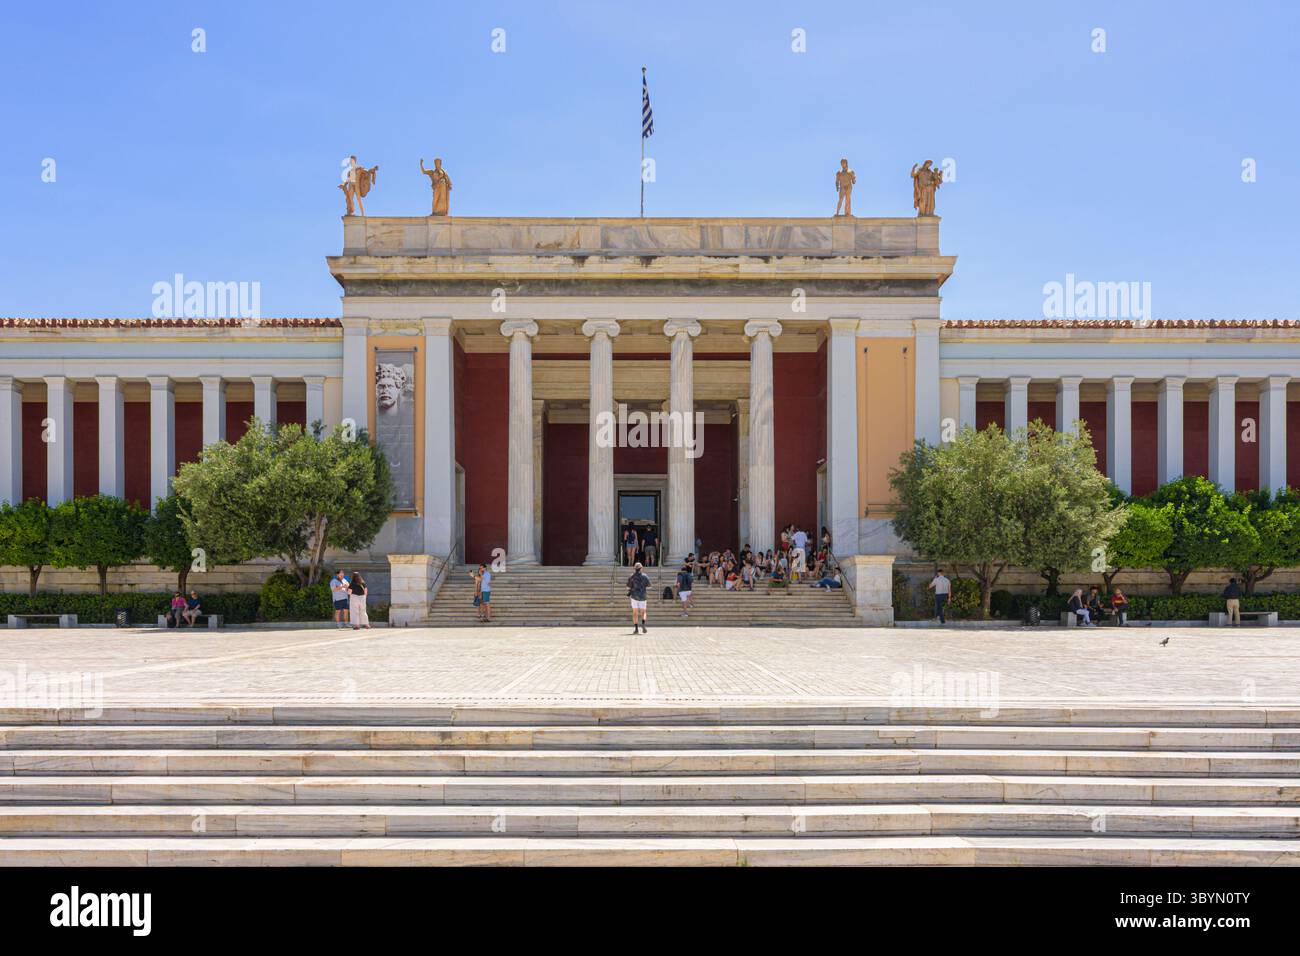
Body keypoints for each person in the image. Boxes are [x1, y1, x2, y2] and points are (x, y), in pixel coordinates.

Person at [627, 561, 650, 634]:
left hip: (634, 596)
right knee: (643, 612)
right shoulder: (645, 576)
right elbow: (649, 586)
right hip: (643, 596)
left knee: (635, 613)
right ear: (641, 568)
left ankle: (636, 629)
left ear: (634, 568)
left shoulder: (631, 576)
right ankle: (643, 624)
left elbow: (628, 587)